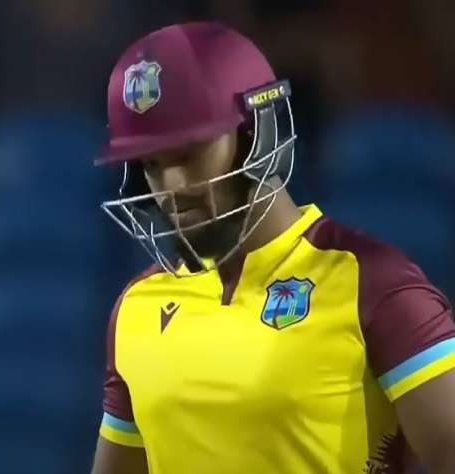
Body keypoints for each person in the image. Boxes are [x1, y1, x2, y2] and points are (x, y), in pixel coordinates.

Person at [91, 22, 455, 474]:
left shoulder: (369, 283)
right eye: (151, 163)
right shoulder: (136, 309)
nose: (172, 187)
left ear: (257, 133)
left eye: (190, 153)